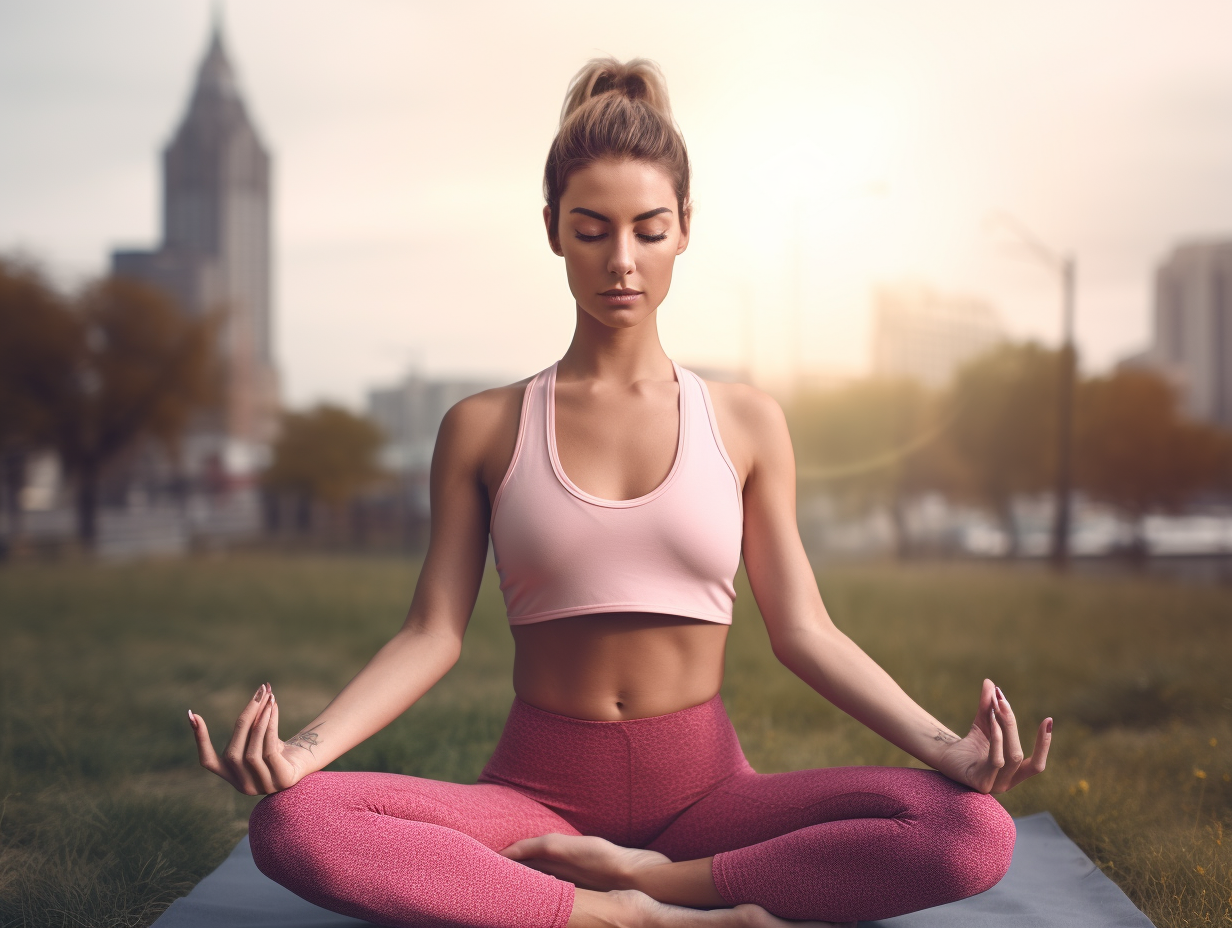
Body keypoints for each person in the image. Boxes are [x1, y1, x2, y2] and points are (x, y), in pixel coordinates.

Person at [188, 57, 1051, 928]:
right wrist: (302, 752)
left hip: (711, 794)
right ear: (554, 230)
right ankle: (626, 917)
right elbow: (431, 633)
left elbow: (804, 631)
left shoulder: (747, 421)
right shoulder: (484, 427)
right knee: (294, 824)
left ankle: (649, 881)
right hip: (535, 797)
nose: (622, 261)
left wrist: (951, 748)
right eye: (592, 229)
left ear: (684, 230)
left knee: (968, 832)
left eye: (649, 228)